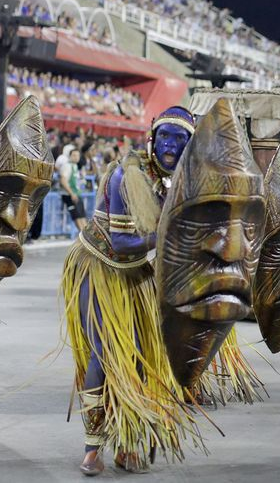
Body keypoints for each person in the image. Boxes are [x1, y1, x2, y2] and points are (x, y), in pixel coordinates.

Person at [60, 106, 197, 476]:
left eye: (178, 139)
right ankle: (92, 447)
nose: (169, 145)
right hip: (100, 268)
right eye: (164, 136)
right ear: (151, 140)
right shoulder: (126, 176)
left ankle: (127, 442)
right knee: (104, 353)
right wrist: (173, 232)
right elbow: (121, 243)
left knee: (142, 357)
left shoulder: (172, 179)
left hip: (136, 273)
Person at [59, 146, 87, 232]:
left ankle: (86, 237)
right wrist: (72, 194)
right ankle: (83, 237)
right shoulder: (67, 166)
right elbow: (63, 180)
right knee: (77, 217)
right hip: (70, 195)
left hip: (76, 194)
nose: (76, 157)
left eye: (78, 155)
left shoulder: (75, 166)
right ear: (70, 156)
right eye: (74, 155)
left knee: (82, 216)